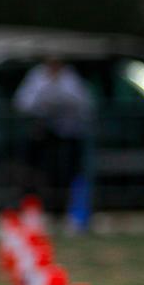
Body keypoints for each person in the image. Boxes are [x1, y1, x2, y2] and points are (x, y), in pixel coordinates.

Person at [13, 55, 93, 212]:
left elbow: (84, 103)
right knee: (33, 174)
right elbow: (22, 103)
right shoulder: (36, 76)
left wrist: (60, 97)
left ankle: (62, 210)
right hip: (40, 135)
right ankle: (31, 208)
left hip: (66, 135)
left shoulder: (70, 78)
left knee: (64, 174)